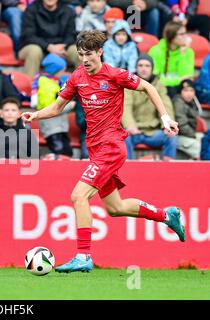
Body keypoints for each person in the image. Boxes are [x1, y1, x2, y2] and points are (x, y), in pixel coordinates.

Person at [21, 30, 184, 273]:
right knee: (115, 208)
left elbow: (149, 87)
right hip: (95, 149)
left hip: (112, 146)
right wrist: (36, 114)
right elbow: (57, 107)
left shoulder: (116, 75)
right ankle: (166, 215)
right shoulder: (77, 77)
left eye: (89, 54)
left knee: (78, 196)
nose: (85, 59)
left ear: (100, 52)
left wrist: (165, 118)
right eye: (80, 55)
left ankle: (83, 256)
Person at [122, 54, 177, 159]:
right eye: (140, 65)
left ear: (152, 69)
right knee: (124, 138)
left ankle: (169, 169)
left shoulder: (159, 85)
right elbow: (126, 106)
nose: (144, 69)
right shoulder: (128, 85)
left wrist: (167, 126)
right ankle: (127, 167)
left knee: (171, 137)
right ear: (136, 68)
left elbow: (166, 105)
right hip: (134, 131)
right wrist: (130, 126)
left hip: (153, 131)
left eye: (147, 66)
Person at [18, 0, 78, 78]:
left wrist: (63, 46)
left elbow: (71, 35)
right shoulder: (31, 9)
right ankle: (29, 86)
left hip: (62, 48)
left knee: (78, 51)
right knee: (34, 51)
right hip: (38, 47)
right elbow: (28, 36)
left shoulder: (68, 10)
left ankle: (85, 86)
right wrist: (48, 46)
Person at [31, 53, 73, 157]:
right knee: (61, 154)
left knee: (68, 153)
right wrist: (69, 106)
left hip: (60, 127)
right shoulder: (46, 84)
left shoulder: (54, 82)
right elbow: (49, 108)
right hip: (52, 128)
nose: (64, 73)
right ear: (55, 70)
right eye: (62, 70)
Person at [148, 20, 195, 98]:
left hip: (178, 89)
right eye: (182, 34)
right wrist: (178, 80)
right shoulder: (155, 51)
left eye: (185, 33)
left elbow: (187, 78)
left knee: (185, 91)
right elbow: (155, 79)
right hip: (159, 89)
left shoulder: (188, 52)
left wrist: (182, 54)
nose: (186, 37)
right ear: (172, 36)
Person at [173, 79, 202, 160]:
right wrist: (195, 136)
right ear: (180, 91)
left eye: (191, 90)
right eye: (186, 90)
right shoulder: (178, 102)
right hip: (178, 136)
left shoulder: (193, 102)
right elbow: (182, 126)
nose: (189, 93)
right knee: (201, 149)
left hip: (189, 135)